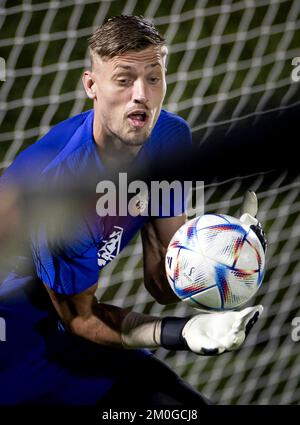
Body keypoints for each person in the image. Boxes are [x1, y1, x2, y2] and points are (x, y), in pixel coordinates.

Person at [0, 15, 265, 406]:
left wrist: (223, 254)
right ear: (91, 85)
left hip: (68, 334)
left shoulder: (170, 138)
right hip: (13, 347)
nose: (140, 94)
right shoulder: (61, 188)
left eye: (153, 78)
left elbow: (163, 281)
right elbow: (80, 320)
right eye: (123, 80)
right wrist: (182, 333)